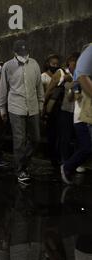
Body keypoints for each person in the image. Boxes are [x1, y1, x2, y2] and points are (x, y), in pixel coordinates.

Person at [0, 40, 44, 184]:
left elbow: (39, 86)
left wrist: (41, 103)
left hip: (33, 107)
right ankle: (21, 170)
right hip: (16, 107)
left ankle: (24, 162)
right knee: (19, 140)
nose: (24, 55)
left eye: (25, 52)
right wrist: (2, 108)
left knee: (36, 139)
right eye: (20, 53)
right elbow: (3, 87)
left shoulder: (34, 64)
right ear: (15, 52)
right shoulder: (8, 66)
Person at [61, 44, 92, 184]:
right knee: (86, 148)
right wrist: (75, 89)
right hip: (82, 118)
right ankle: (67, 167)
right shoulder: (79, 78)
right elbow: (72, 98)